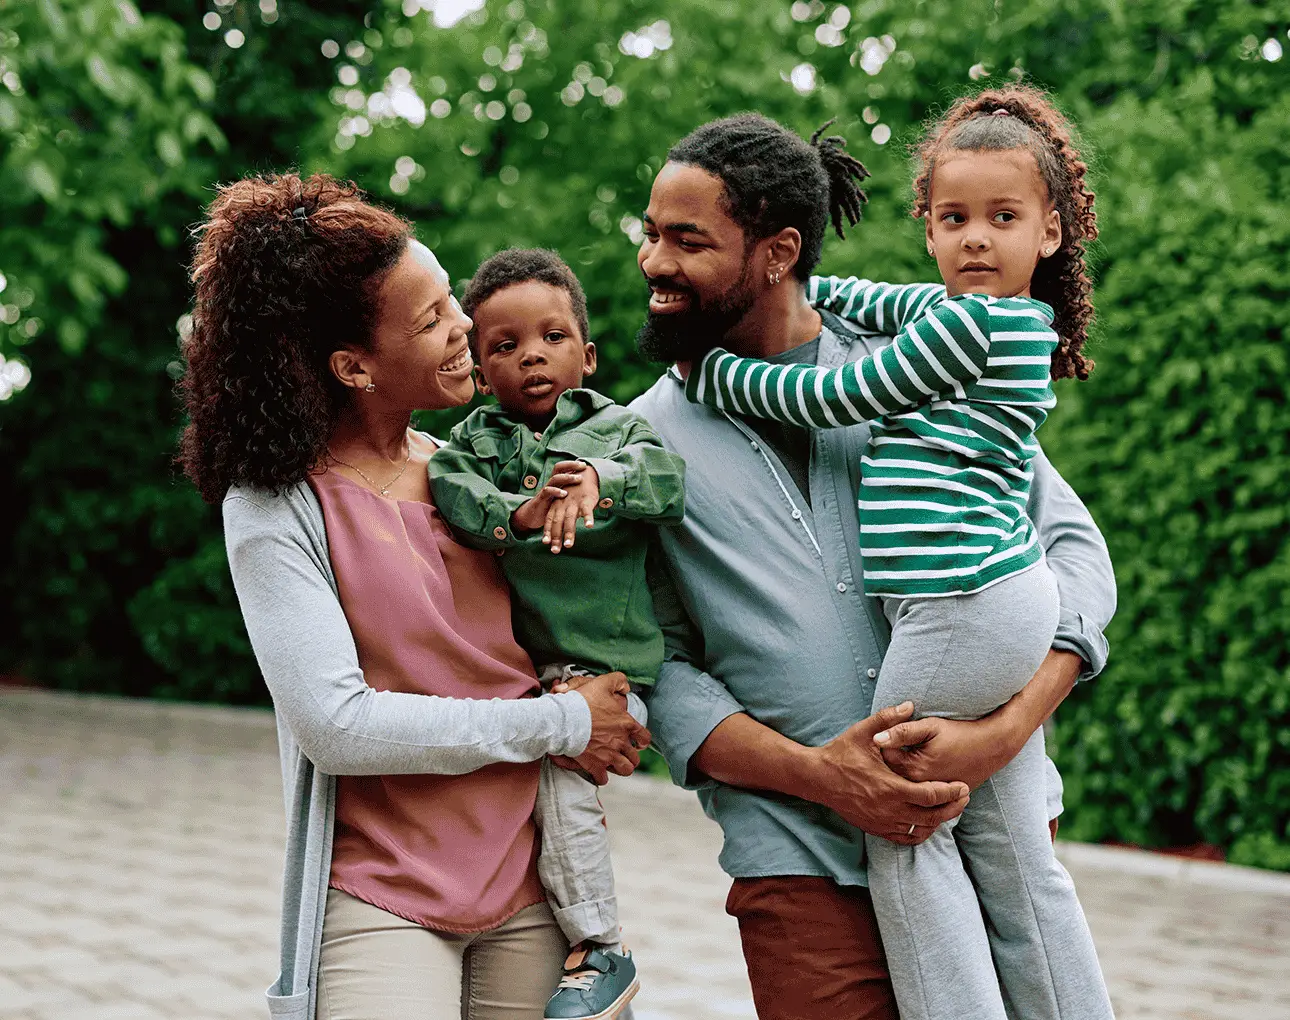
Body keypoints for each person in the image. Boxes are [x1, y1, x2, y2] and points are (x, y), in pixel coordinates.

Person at [629, 111, 1117, 1020]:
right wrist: (821, 776)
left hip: (985, 815)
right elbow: (655, 667)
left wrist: (1005, 732)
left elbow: (1074, 558)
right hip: (799, 859)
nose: (654, 262)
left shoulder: (931, 368)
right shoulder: (639, 441)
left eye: (686, 241)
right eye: (651, 235)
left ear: (777, 254)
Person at [178, 173, 649, 1020]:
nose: (467, 325)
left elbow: (600, 611)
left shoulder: (483, 475)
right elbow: (337, 726)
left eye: (449, 300)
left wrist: (622, 702)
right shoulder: (278, 507)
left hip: (535, 885)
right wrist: (565, 724)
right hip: (382, 896)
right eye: (431, 318)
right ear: (354, 366)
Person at [427, 247, 687, 1020]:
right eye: (503, 347)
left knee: (561, 781)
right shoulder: (472, 446)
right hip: (520, 677)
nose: (531, 356)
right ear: (478, 366)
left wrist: (603, 483)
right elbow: (453, 491)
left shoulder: (617, 431)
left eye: (551, 337)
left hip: (606, 672)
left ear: (587, 351)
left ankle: (602, 946)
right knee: (525, 783)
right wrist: (522, 512)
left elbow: (669, 485)